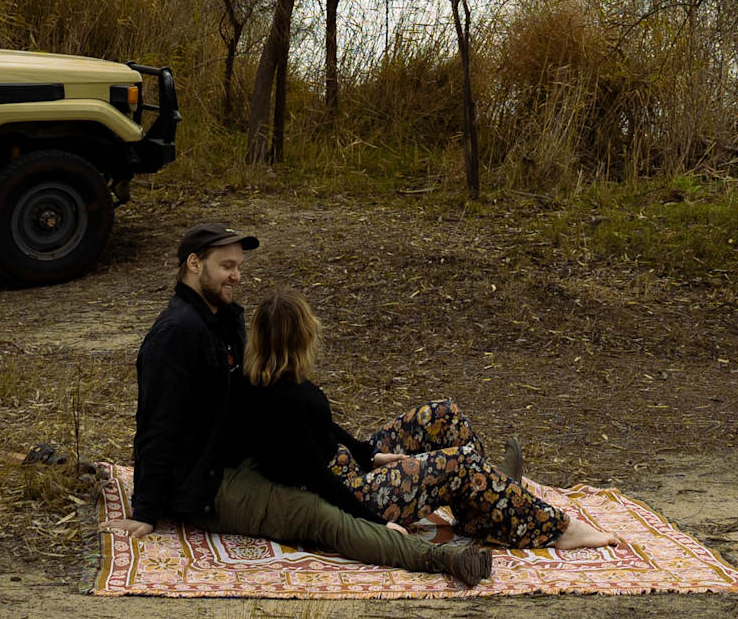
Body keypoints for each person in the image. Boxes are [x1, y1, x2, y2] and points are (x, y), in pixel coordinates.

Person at [130, 225, 489, 587]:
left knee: (427, 424)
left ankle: (490, 490)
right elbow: (156, 423)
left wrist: (363, 452)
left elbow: (280, 405)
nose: (237, 276)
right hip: (208, 485)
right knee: (318, 513)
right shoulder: (176, 333)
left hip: (246, 457)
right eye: (227, 266)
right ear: (194, 263)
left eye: (239, 266)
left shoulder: (224, 320)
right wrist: (146, 510)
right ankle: (441, 557)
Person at [223, 291, 607, 553]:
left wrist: (369, 453)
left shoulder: (278, 376)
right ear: (304, 335)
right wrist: (372, 522)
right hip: (354, 494)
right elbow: (315, 475)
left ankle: (491, 502)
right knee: (457, 463)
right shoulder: (276, 399)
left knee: (442, 416)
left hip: (351, 467)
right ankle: (555, 528)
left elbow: (322, 430)